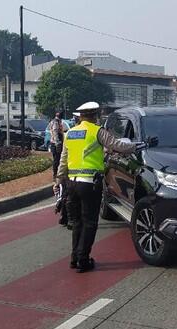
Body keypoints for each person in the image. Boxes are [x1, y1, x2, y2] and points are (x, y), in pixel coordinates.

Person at [54, 102, 141, 273]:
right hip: (89, 184)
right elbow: (118, 145)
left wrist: (58, 181)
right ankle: (83, 260)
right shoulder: (97, 131)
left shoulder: (70, 133)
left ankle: (74, 258)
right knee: (90, 222)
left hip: (71, 183)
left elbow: (63, 159)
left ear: (80, 116)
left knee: (77, 222)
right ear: (95, 115)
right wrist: (138, 145)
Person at [48, 112, 68, 177]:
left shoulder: (55, 121)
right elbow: (55, 132)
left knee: (57, 159)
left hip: (55, 142)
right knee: (57, 159)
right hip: (56, 143)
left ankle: (57, 173)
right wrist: (57, 143)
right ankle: (55, 174)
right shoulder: (56, 122)